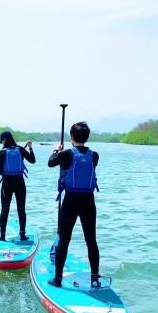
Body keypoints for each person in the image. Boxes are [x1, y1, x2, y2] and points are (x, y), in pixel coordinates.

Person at [47, 121, 100, 288]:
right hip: (88, 200)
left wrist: (57, 150)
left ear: (71, 137)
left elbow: (50, 162)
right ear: (87, 137)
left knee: (64, 239)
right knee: (91, 240)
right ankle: (95, 278)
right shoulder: (95, 155)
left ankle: (57, 279)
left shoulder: (67, 154)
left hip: (71, 199)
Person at [0, 131, 36, 241]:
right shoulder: (21, 149)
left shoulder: (2, 152)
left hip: (7, 183)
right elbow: (33, 160)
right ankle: (22, 234)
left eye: (2, 141)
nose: (2, 143)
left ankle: (2, 236)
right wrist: (30, 148)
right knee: (21, 209)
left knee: (4, 209)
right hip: (20, 183)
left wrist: (6, 173)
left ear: (4, 140)